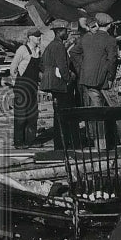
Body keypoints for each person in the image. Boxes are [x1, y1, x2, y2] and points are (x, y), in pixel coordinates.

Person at [70, 13, 120, 147]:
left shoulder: (86, 37)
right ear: (109, 25)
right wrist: (110, 77)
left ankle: (99, 144)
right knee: (116, 111)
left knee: (95, 112)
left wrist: (83, 67)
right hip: (103, 80)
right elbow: (112, 61)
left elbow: (73, 52)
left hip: (87, 79)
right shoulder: (110, 40)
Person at [40, 19, 76, 150]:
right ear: (60, 31)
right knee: (62, 114)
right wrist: (68, 78)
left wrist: (49, 73)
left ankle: (59, 144)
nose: (68, 34)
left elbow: (41, 63)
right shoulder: (59, 45)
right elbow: (63, 65)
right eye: (66, 31)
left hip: (53, 83)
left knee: (58, 114)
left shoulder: (51, 45)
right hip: (60, 85)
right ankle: (62, 144)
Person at [9, 28, 42, 148]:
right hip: (22, 86)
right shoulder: (22, 49)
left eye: (39, 36)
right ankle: (19, 142)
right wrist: (16, 82)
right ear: (30, 37)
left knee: (33, 115)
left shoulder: (38, 50)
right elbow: (12, 68)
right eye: (37, 36)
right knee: (21, 115)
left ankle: (30, 140)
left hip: (33, 86)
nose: (39, 38)